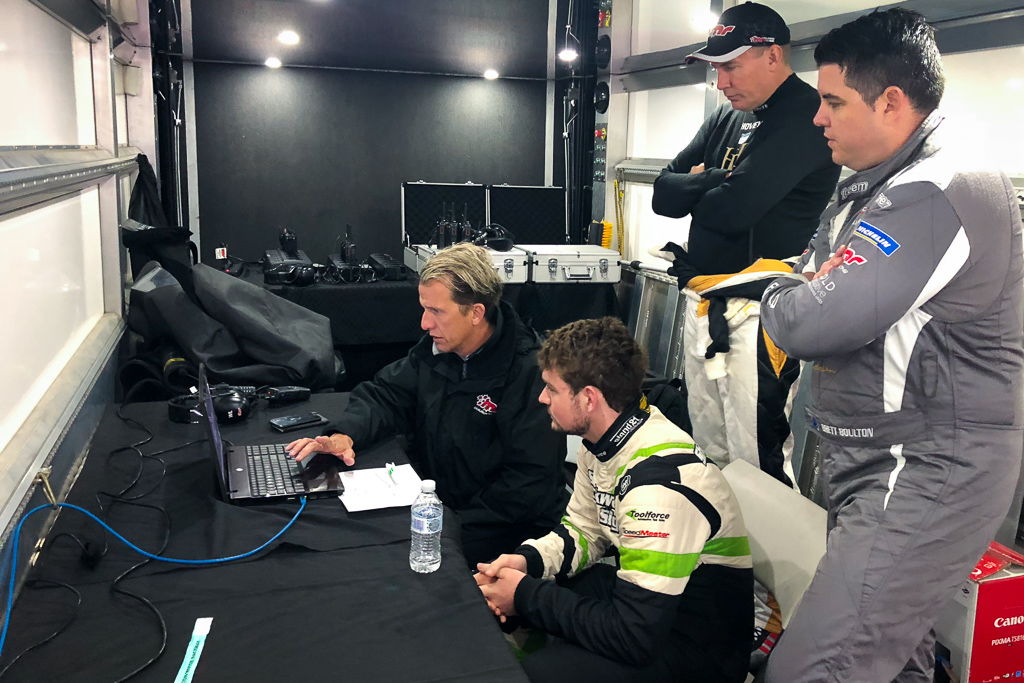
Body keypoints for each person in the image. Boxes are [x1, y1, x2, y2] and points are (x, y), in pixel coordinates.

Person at [759, 9, 1024, 681]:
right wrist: (802, 286)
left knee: (816, 666)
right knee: (891, 660)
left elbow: (810, 320)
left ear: (892, 102)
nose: (817, 118)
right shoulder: (874, 182)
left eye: (832, 100)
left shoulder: (935, 188)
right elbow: (812, 269)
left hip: (928, 467)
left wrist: (774, 293)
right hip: (880, 459)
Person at [476, 317, 753, 683]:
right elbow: (585, 532)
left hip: (699, 650)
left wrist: (525, 595)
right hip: (657, 611)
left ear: (588, 398)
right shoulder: (608, 439)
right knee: (522, 596)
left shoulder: (658, 489)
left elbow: (633, 637)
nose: (541, 397)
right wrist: (526, 563)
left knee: (534, 669)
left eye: (551, 389)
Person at [650, 2, 840, 486]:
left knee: (758, 453)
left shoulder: (804, 116)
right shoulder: (725, 117)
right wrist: (716, 178)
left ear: (773, 55)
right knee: (709, 446)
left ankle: (766, 561)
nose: (722, 81)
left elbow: (732, 211)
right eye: (717, 68)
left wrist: (699, 187)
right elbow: (662, 196)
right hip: (705, 298)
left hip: (761, 309)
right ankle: (722, 555)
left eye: (731, 66)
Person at [288, 243, 568, 567]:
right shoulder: (439, 349)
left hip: (503, 537)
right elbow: (385, 394)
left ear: (476, 312)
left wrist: (447, 526)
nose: (424, 323)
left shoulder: (532, 374)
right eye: (424, 308)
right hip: (438, 508)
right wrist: (345, 434)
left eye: (436, 311)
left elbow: (527, 488)